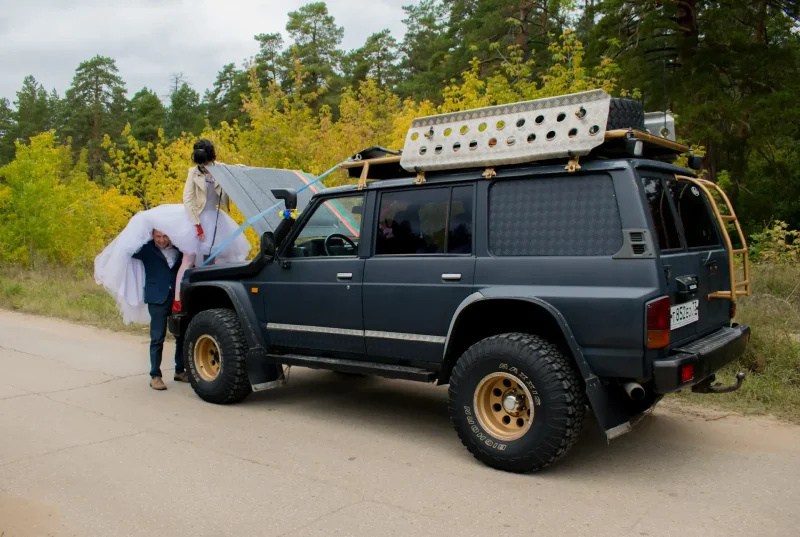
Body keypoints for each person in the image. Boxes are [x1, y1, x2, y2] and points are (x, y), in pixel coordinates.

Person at [172, 138, 251, 312]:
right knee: (188, 259)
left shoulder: (219, 169)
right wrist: (197, 225)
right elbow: (187, 200)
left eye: (206, 163)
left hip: (214, 218)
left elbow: (236, 169)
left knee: (210, 262)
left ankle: (204, 298)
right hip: (196, 216)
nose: (204, 166)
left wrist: (245, 170)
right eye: (201, 164)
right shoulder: (192, 173)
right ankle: (178, 298)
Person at [132, 229, 187, 391]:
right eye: (158, 237)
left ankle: (180, 371)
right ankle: (155, 376)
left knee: (181, 334)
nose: (161, 240)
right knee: (157, 337)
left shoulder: (179, 248)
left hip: (177, 297)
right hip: (157, 298)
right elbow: (127, 249)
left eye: (164, 236)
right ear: (152, 236)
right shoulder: (146, 249)